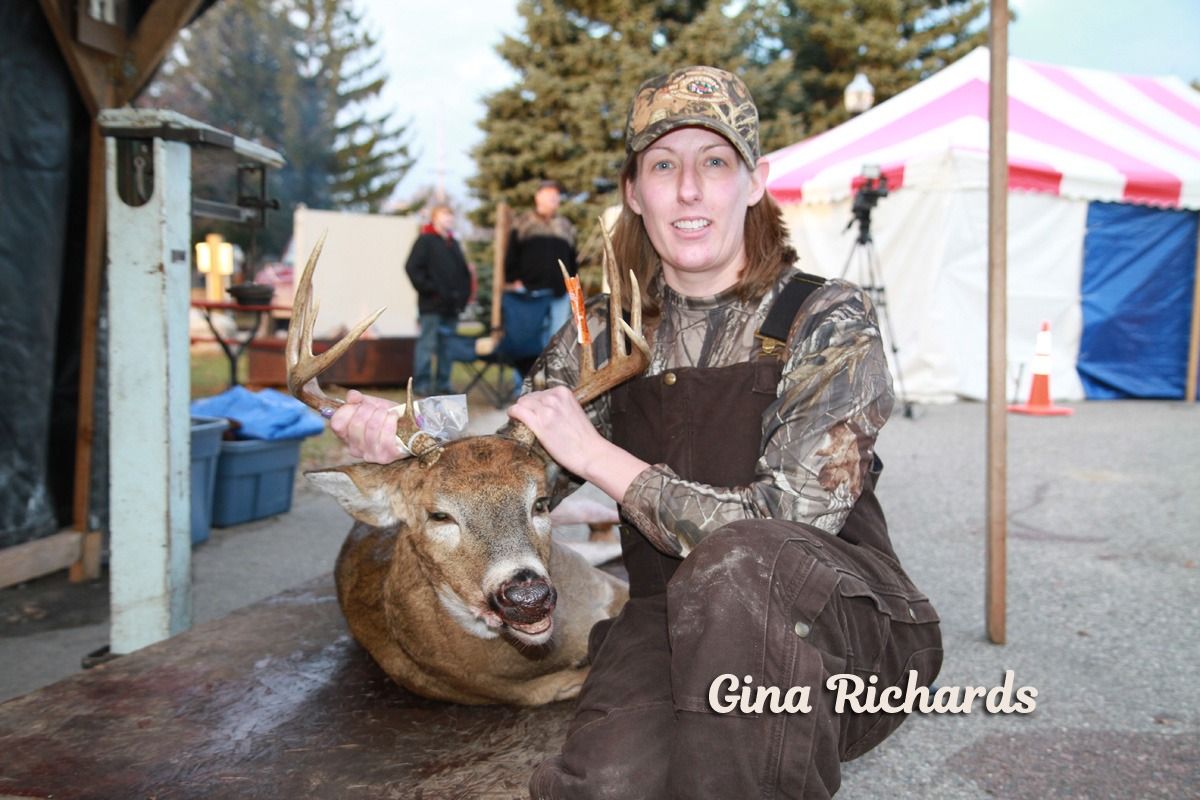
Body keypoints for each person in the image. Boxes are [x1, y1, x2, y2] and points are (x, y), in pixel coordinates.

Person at [333, 65, 942, 799]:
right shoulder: (599, 336)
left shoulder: (826, 319)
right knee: (601, 784)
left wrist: (598, 456)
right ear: (633, 191)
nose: (688, 190)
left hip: (841, 632)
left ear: (754, 182)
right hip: (671, 623)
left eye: (714, 162)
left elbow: (789, 522)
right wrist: (410, 440)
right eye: (662, 166)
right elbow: (515, 462)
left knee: (740, 568)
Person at [404, 204, 471, 396]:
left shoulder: (453, 243)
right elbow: (412, 268)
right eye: (444, 215)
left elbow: (463, 273)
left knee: (447, 346)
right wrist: (431, 290)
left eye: (451, 215)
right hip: (431, 305)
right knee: (427, 344)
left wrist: (462, 297)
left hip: (451, 306)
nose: (449, 219)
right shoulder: (425, 240)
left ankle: (443, 383)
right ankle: (422, 383)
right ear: (434, 218)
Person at [505, 179, 578, 348]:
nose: (554, 198)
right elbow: (511, 253)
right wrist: (513, 280)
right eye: (549, 194)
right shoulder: (523, 223)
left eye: (556, 195)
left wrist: (573, 285)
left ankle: (552, 366)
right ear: (538, 197)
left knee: (557, 338)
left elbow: (572, 258)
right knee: (529, 338)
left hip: (560, 292)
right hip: (531, 291)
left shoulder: (565, 225)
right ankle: (529, 367)